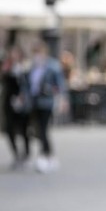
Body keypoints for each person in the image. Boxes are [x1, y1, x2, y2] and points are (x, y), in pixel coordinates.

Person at [27, 41, 67, 173]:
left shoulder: (53, 66)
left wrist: (62, 99)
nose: (37, 55)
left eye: (39, 52)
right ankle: (48, 154)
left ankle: (46, 155)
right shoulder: (32, 66)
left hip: (47, 102)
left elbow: (61, 85)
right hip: (34, 102)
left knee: (43, 129)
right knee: (37, 129)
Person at [1, 46, 31, 170]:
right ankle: (16, 154)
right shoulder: (6, 68)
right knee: (9, 130)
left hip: (22, 104)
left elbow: (29, 86)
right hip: (9, 104)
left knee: (24, 129)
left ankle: (26, 154)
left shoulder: (25, 69)